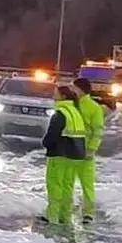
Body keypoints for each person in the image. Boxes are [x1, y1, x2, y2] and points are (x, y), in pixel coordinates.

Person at [40, 85, 88, 226]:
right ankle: (64, 217)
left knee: (55, 185)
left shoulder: (60, 113)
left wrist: (45, 144)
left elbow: (52, 136)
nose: (53, 94)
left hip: (59, 155)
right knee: (67, 186)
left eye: (56, 93)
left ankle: (52, 217)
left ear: (63, 96)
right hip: (75, 156)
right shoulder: (75, 111)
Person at [72, 77, 105, 223]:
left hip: (85, 151)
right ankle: (64, 209)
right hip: (70, 150)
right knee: (65, 183)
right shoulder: (71, 104)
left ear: (80, 89)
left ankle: (88, 214)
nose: (72, 90)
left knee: (87, 184)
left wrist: (91, 149)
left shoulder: (94, 107)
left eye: (74, 88)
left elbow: (98, 131)